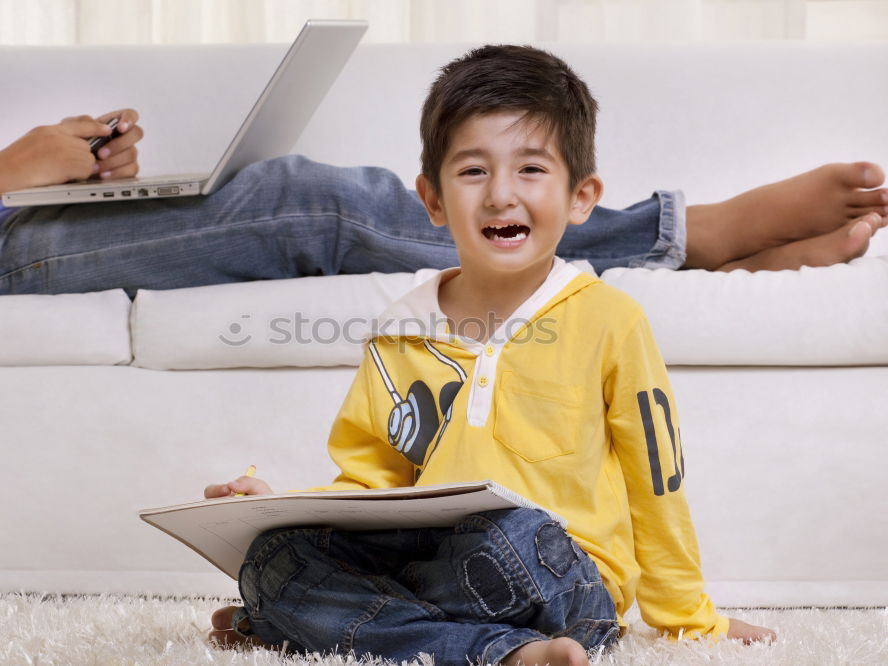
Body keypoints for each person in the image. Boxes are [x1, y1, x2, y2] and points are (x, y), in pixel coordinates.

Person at [201, 45, 776, 665]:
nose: (501, 194)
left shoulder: (611, 320)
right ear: (434, 199)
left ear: (581, 197)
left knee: (504, 535)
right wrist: (276, 507)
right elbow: (369, 487)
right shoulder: (401, 330)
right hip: (432, 562)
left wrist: (688, 619)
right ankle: (501, 653)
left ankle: (317, 620)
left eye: (531, 169)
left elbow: (657, 479)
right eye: (473, 171)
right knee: (274, 560)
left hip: (558, 575)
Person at [0, 50, 884, 299]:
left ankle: (690, 268)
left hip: (14, 217)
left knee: (289, 191)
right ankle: (689, 240)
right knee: (301, 202)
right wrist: (11, 172)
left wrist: (62, 165)